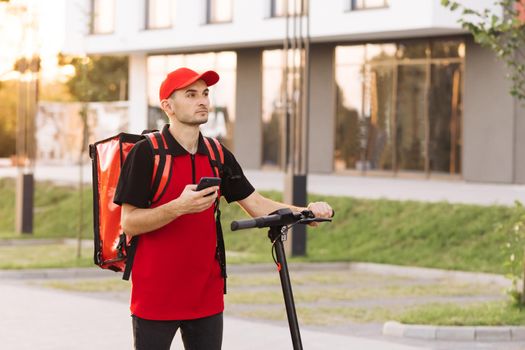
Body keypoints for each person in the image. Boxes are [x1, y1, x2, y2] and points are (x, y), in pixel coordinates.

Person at [114, 67, 333, 350]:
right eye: (191, 95)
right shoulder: (147, 153)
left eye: (205, 93)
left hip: (206, 294)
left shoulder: (217, 154)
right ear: (167, 106)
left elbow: (256, 204)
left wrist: (305, 212)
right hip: (156, 294)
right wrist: (178, 207)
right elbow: (129, 222)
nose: (202, 100)